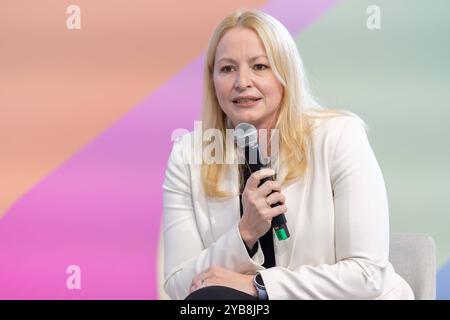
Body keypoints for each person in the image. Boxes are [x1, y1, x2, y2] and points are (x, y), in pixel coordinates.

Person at [162, 9, 414, 300]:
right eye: (227, 68)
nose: (242, 81)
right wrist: (244, 233)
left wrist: (259, 286)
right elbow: (181, 285)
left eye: (259, 66)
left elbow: (367, 275)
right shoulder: (189, 155)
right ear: (213, 81)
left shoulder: (339, 136)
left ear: (285, 74)